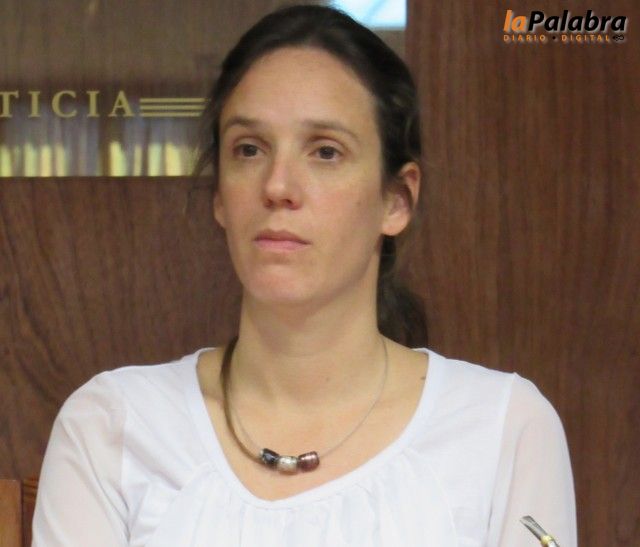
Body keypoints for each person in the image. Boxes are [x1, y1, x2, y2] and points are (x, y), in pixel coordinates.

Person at [32, 5, 577, 546]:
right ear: (220, 195)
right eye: (249, 149)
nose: (277, 186)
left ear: (396, 199)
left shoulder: (504, 428)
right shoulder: (112, 427)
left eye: (325, 152)